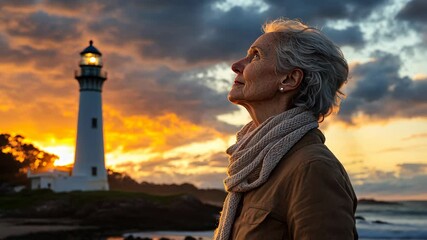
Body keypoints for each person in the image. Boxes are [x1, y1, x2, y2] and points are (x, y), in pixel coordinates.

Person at [214, 18, 358, 240]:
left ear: (290, 79)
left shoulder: (313, 168)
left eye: (256, 56)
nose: (236, 65)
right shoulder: (253, 165)